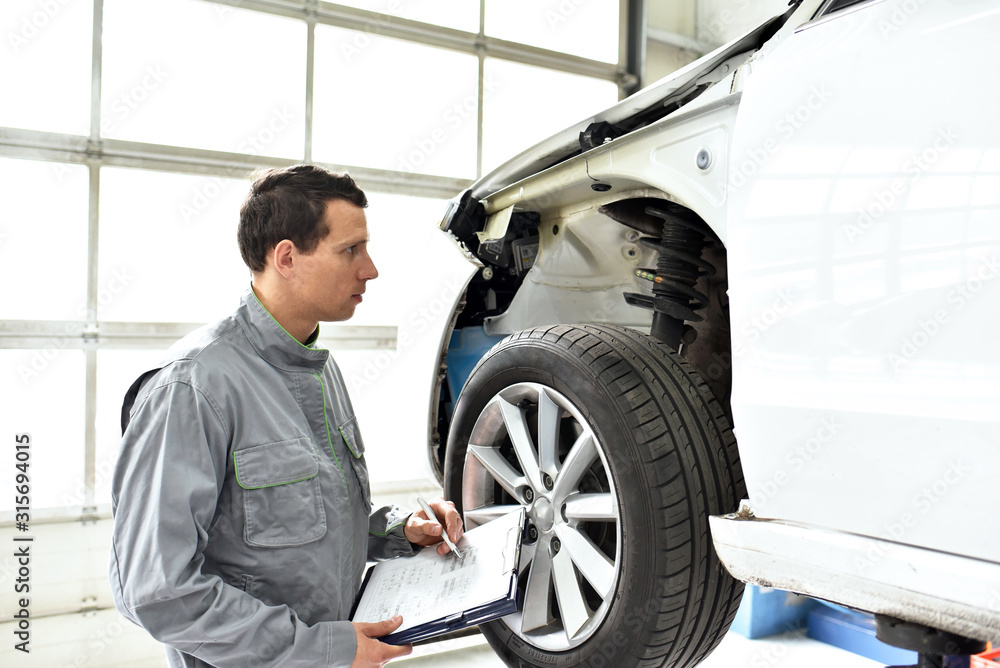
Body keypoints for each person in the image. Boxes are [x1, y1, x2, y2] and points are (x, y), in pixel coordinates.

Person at [109, 164, 464, 668]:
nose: (370, 269)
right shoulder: (193, 387)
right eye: (350, 250)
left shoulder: (318, 368)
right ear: (287, 257)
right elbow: (157, 591)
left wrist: (398, 532)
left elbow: (295, 532)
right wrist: (317, 650)